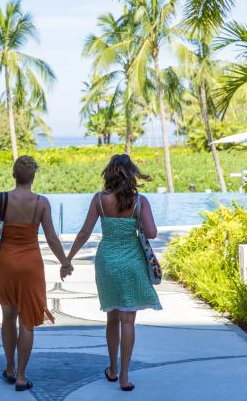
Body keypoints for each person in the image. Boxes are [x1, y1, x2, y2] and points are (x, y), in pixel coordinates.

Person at [66, 154, 161, 392]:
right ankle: (125, 377)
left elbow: (84, 232)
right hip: (132, 262)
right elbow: (152, 233)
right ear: (132, 174)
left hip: (107, 261)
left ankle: (112, 368)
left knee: (112, 318)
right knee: (128, 319)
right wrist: (137, 221)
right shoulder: (141, 202)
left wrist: (68, 258)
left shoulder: (99, 200)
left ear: (109, 173)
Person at [0, 155, 73, 392]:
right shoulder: (41, 203)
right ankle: (21, 376)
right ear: (34, 177)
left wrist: (0, 228)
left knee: (8, 316)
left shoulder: (1, 199)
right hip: (31, 265)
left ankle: (9, 368)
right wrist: (65, 262)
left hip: (5, 264)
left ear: (13, 175)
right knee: (27, 322)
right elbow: (51, 237)